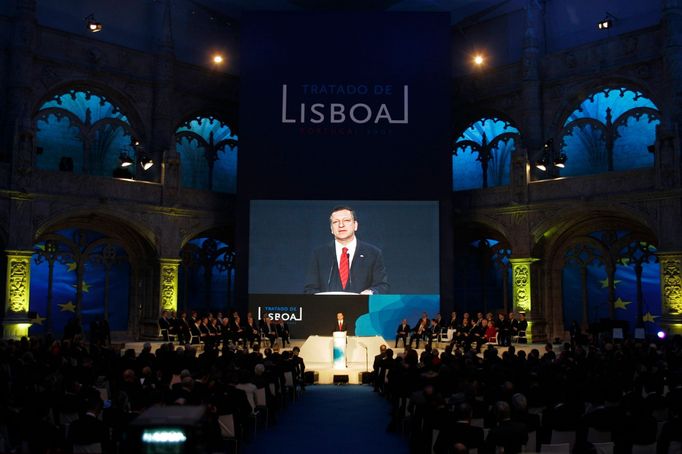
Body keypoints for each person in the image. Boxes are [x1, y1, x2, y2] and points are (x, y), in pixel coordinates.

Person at [304, 206, 389, 294]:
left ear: (355, 225)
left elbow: (382, 286)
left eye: (346, 220)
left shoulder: (373, 253)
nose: (341, 225)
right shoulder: (319, 254)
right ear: (331, 229)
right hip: (327, 306)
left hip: (361, 306)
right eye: (336, 222)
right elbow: (310, 288)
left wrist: (371, 292)